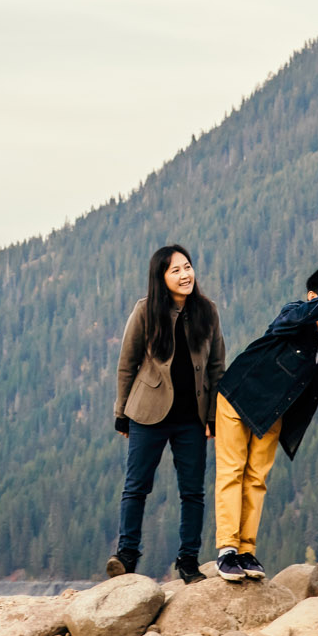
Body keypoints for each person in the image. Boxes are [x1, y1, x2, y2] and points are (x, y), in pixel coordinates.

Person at [211, 268, 318, 583]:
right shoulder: (295, 313)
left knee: (256, 477)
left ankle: (245, 550)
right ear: (314, 296)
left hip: (273, 411)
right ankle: (226, 550)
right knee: (232, 471)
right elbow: (286, 324)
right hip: (239, 395)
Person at [111, 244, 225, 583]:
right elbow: (126, 363)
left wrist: (213, 415)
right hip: (147, 414)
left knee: (192, 491)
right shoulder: (145, 311)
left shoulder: (207, 310)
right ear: (161, 277)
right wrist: (121, 413)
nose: (184, 274)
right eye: (175, 270)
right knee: (136, 487)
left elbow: (217, 366)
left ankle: (188, 560)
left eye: (187, 267)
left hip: (192, 417)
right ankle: (126, 555)